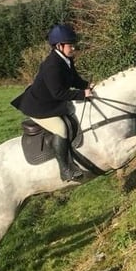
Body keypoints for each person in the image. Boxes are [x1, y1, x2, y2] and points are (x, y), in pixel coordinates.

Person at [11, 24, 93, 181]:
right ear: (59, 46)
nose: (74, 48)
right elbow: (59, 92)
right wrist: (82, 94)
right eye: (71, 45)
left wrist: (86, 85)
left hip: (51, 102)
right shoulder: (52, 65)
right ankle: (65, 169)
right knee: (61, 128)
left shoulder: (66, 59)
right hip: (39, 107)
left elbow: (74, 79)